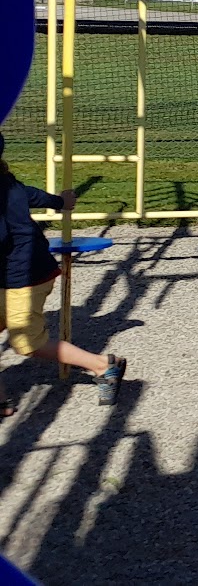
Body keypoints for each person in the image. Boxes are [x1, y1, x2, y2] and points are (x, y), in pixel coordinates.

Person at [0, 134, 125, 415]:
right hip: (13, 273)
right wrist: (60, 201)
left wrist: (58, 202)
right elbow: (33, 195)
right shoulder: (9, 183)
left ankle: (104, 366)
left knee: (28, 343)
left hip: (24, 276)